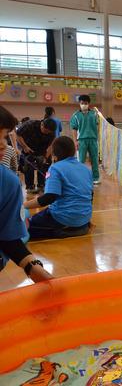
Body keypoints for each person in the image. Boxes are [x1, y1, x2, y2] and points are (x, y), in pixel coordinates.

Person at [0, 106, 53, 282]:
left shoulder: (7, 181)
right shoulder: (29, 127)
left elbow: (9, 237)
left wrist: (32, 267)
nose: (3, 145)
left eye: (4, 137)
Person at [23, 136, 93, 240]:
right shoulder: (85, 168)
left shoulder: (55, 168)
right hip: (84, 221)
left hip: (62, 219)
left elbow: (49, 197)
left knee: (22, 229)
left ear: (54, 154)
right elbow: (90, 196)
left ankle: (64, 229)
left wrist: (22, 206)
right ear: (73, 151)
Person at [16, 118, 56, 193]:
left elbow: (51, 145)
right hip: (28, 149)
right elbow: (18, 134)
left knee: (44, 167)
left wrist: (46, 157)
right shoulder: (30, 124)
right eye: (45, 131)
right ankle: (30, 187)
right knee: (28, 168)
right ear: (42, 125)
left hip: (42, 151)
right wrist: (25, 147)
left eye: (48, 132)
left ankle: (42, 185)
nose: (46, 133)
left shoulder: (51, 132)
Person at [70, 94, 100, 184]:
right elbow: (74, 129)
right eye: (82, 103)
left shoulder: (94, 114)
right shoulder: (75, 115)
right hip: (81, 140)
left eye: (86, 103)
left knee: (94, 159)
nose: (84, 105)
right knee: (80, 160)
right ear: (79, 103)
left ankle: (95, 178)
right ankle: (80, 178)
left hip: (93, 140)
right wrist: (75, 141)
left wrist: (97, 137)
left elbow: (98, 126)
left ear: (89, 104)